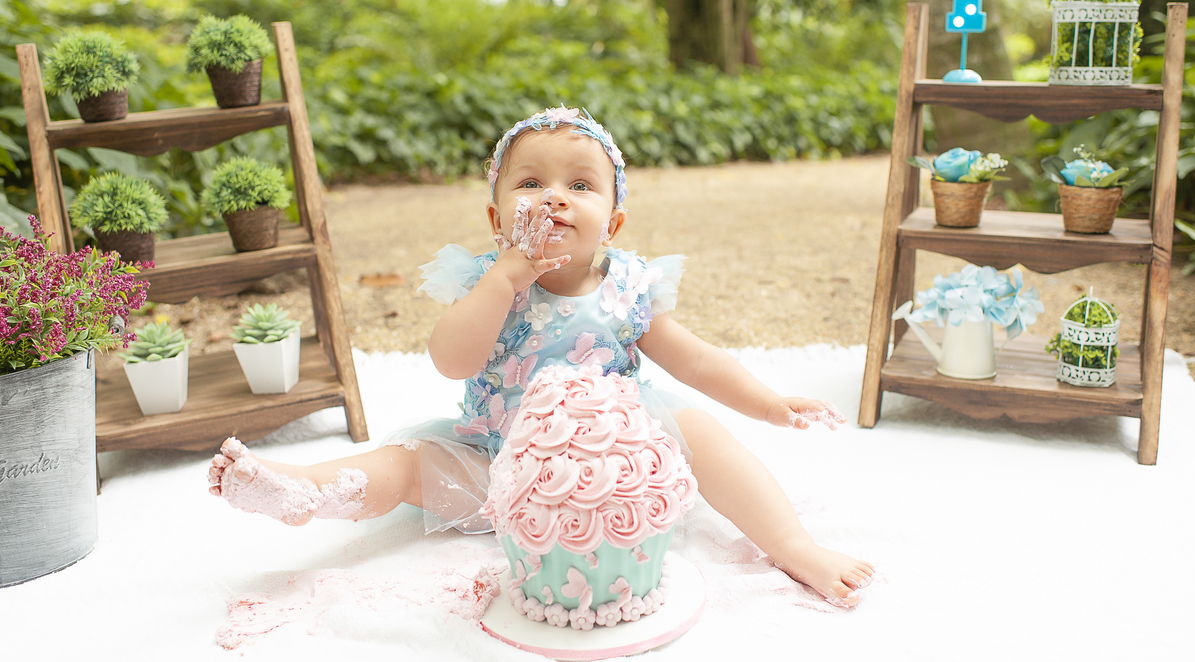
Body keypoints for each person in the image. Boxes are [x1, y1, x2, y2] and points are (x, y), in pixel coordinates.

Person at [208, 106, 874, 608]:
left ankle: (792, 545)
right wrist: (503, 280)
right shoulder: (488, 283)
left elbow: (695, 361)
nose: (555, 196)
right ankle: (307, 493)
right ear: (497, 220)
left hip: (614, 461)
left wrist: (767, 402)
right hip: (502, 465)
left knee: (696, 427)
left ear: (611, 223)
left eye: (581, 186)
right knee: (406, 466)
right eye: (530, 183)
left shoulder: (625, 287)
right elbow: (451, 360)